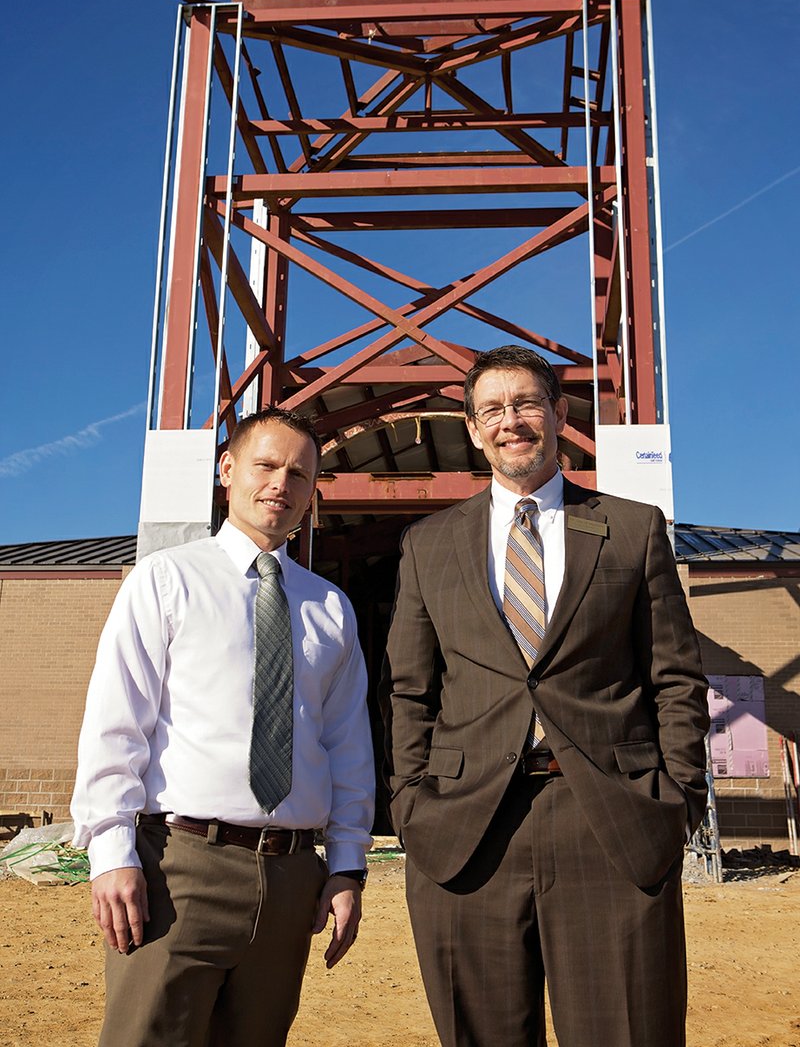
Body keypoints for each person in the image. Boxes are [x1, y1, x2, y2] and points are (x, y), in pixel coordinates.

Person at [381, 344, 709, 1047]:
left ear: (558, 414)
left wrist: (678, 796)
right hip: (466, 832)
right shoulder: (428, 545)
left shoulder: (631, 527)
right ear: (472, 428)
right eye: (492, 409)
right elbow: (410, 690)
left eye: (526, 403)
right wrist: (410, 802)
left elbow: (676, 676)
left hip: (611, 822)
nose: (511, 421)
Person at [71, 406, 375, 1047]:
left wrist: (347, 867)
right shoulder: (166, 579)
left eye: (299, 474)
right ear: (227, 469)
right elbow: (116, 724)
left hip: (292, 881)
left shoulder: (330, 608)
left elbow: (348, 748)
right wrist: (110, 853)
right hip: (178, 872)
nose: (281, 485)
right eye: (266, 465)